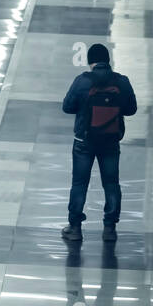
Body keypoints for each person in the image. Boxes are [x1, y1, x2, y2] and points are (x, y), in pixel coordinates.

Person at [60, 43, 137, 242]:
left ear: (90, 61)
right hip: (110, 141)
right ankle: (109, 228)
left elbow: (67, 107)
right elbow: (131, 109)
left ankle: (75, 228)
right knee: (111, 183)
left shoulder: (82, 81)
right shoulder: (122, 81)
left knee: (79, 183)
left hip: (84, 141)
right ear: (108, 60)